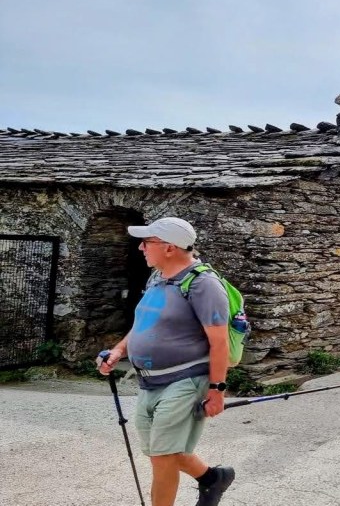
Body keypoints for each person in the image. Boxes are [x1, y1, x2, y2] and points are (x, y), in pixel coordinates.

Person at [98, 217, 235, 506]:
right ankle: (213, 478)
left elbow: (219, 342)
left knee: (162, 457)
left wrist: (217, 390)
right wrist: (119, 351)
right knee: (161, 451)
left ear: (169, 248)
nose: (141, 248)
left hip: (184, 380)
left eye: (147, 242)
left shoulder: (204, 285)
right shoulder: (158, 277)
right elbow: (144, 323)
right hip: (149, 382)